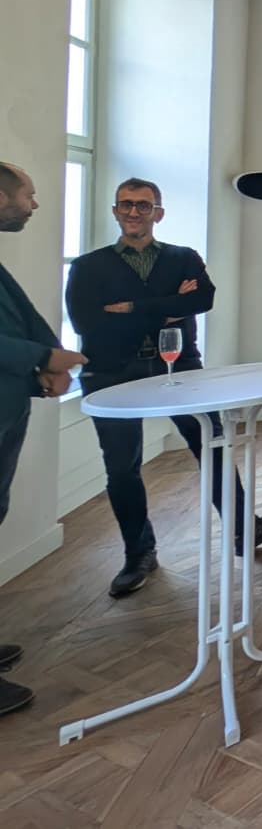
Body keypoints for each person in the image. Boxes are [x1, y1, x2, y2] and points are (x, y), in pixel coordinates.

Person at [67, 178, 262, 596]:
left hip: (179, 366)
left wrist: (132, 308)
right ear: (115, 210)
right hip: (111, 373)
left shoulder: (183, 258)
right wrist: (168, 308)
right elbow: (89, 323)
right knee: (121, 467)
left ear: (158, 213)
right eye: (126, 204)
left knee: (213, 444)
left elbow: (202, 300)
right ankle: (139, 554)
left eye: (143, 205)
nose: (134, 212)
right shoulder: (88, 266)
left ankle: (245, 529)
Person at [0, 163, 86, 717]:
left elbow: (24, 317)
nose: (34, 205)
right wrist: (44, 358)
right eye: (27, 195)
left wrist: (51, 362)